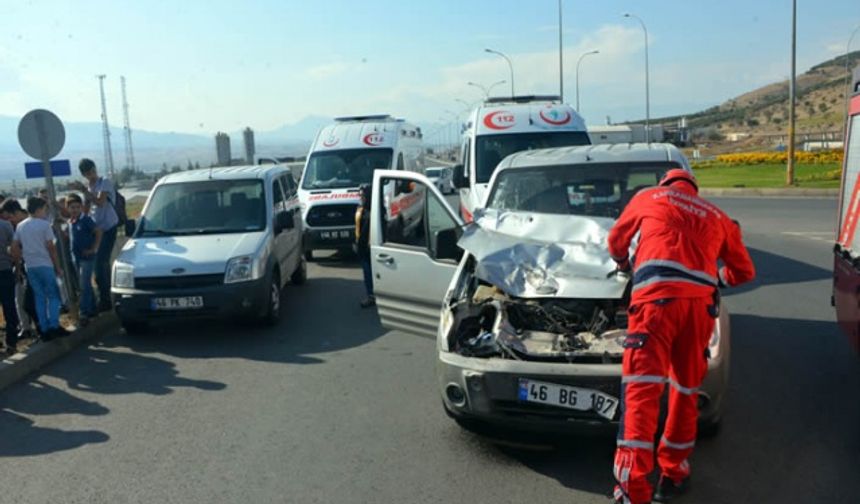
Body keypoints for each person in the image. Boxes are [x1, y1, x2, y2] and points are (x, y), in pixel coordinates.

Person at [607, 169, 755, 504]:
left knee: (642, 395)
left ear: (665, 184)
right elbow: (745, 271)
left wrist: (622, 264)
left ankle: (634, 490)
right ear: (694, 190)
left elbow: (616, 240)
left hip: (655, 306)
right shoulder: (718, 217)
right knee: (686, 389)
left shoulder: (648, 197)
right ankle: (673, 474)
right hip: (699, 311)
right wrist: (715, 279)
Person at [11, 198, 69, 341]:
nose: (45, 212)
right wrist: (58, 267)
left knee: (39, 298)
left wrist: (18, 267)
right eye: (44, 210)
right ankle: (54, 325)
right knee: (53, 296)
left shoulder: (20, 226)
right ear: (38, 210)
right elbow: (51, 248)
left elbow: (15, 247)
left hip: (30, 267)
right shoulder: (44, 225)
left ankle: (43, 329)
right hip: (45, 264)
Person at [70, 159, 118, 312]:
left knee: (100, 265)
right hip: (97, 228)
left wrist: (84, 191)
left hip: (108, 228)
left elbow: (100, 202)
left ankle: (106, 301)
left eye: (92, 171)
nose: (91, 175)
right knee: (101, 266)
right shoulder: (90, 186)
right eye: (87, 173)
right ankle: (107, 298)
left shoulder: (104, 182)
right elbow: (87, 209)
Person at [1, 199, 38, 339]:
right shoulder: (17, 226)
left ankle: (42, 329)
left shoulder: (27, 226)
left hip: (34, 268)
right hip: (24, 269)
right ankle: (31, 329)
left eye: (9, 217)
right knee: (22, 302)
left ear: (16, 212)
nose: (9, 220)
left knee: (30, 303)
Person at [66, 193, 102, 325]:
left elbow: (98, 231)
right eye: (72, 207)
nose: (74, 210)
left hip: (87, 257)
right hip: (76, 257)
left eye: (77, 207)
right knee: (85, 284)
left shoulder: (86, 220)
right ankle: (93, 308)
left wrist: (94, 248)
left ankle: (84, 312)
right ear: (68, 209)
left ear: (81, 207)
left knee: (84, 284)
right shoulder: (71, 222)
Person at [0, 207, 20, 355]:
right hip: (5, 270)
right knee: (9, 307)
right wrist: (18, 268)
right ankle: (11, 342)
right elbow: (14, 249)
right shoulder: (5, 225)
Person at [355, 184, 374, 308]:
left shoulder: (373, 210)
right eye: (360, 195)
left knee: (370, 272)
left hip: (369, 247)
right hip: (361, 245)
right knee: (367, 272)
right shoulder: (361, 208)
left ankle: (372, 296)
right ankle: (370, 294)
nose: (361, 197)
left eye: (363, 195)